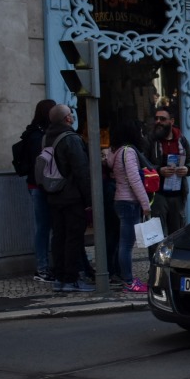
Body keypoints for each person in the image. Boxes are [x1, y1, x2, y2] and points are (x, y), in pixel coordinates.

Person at [44, 104, 94, 292]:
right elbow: (81, 171)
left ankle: (59, 278)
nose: (72, 117)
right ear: (67, 118)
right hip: (72, 196)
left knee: (59, 236)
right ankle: (71, 279)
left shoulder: (47, 137)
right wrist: (89, 199)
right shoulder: (71, 138)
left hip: (54, 194)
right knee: (73, 238)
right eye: (71, 114)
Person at [105, 121, 152, 293]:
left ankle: (126, 279)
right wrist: (145, 204)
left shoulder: (115, 151)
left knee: (122, 243)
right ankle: (129, 282)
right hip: (129, 202)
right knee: (126, 244)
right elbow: (134, 180)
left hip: (120, 200)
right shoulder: (129, 152)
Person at [17, 99, 57, 282]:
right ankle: (42, 267)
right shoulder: (37, 135)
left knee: (48, 227)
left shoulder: (38, 133)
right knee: (43, 227)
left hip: (40, 185)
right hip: (40, 187)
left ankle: (48, 265)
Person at [146, 107, 190, 237]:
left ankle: (173, 257)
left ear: (171, 121)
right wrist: (159, 170)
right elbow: (143, 165)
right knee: (156, 235)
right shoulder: (150, 140)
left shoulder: (182, 140)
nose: (158, 121)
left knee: (176, 234)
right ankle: (156, 258)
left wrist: (187, 169)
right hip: (157, 195)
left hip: (177, 195)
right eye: (156, 118)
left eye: (162, 119)